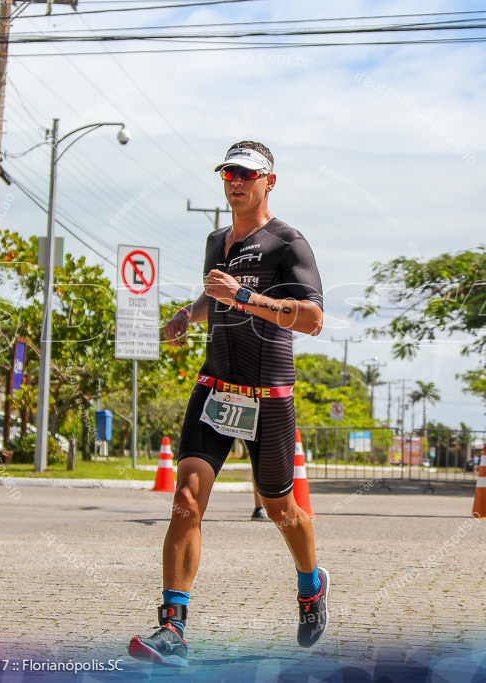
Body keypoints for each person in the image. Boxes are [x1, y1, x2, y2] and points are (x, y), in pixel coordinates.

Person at [128, 141, 328, 667]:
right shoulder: (216, 239)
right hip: (215, 388)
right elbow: (211, 296)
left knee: (282, 509)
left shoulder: (289, 243)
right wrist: (185, 315)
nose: (236, 181)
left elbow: (311, 320)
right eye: (228, 173)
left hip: (269, 396)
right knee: (187, 501)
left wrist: (245, 298)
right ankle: (173, 628)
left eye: (247, 174)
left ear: (269, 181)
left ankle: (310, 587)